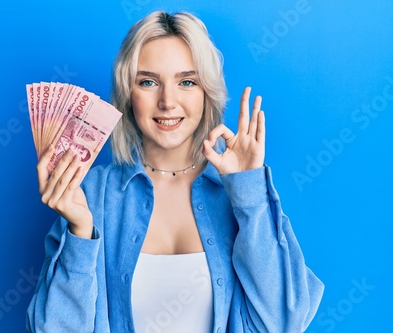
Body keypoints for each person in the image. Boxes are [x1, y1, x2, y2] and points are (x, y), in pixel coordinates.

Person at [27, 11, 324, 333]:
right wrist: (80, 232)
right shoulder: (91, 194)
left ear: (206, 92)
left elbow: (284, 322)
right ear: (128, 94)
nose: (168, 101)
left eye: (186, 82)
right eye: (148, 82)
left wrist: (249, 190)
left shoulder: (237, 192)